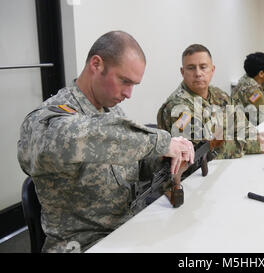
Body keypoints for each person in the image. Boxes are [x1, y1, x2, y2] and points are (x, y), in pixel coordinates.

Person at [17, 31, 195, 252]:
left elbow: (137, 164)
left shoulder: (113, 112)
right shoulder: (45, 119)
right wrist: (159, 141)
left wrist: (168, 159)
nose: (129, 93)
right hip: (83, 245)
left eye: (134, 85)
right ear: (96, 64)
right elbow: (75, 137)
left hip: (127, 232)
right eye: (124, 81)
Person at [157, 44, 264, 159]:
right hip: (192, 174)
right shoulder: (178, 106)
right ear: (183, 72)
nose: (198, 73)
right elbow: (201, 150)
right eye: (191, 68)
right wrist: (252, 144)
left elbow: (241, 123)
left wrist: (255, 135)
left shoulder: (219, 95)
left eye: (203, 67)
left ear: (212, 70)